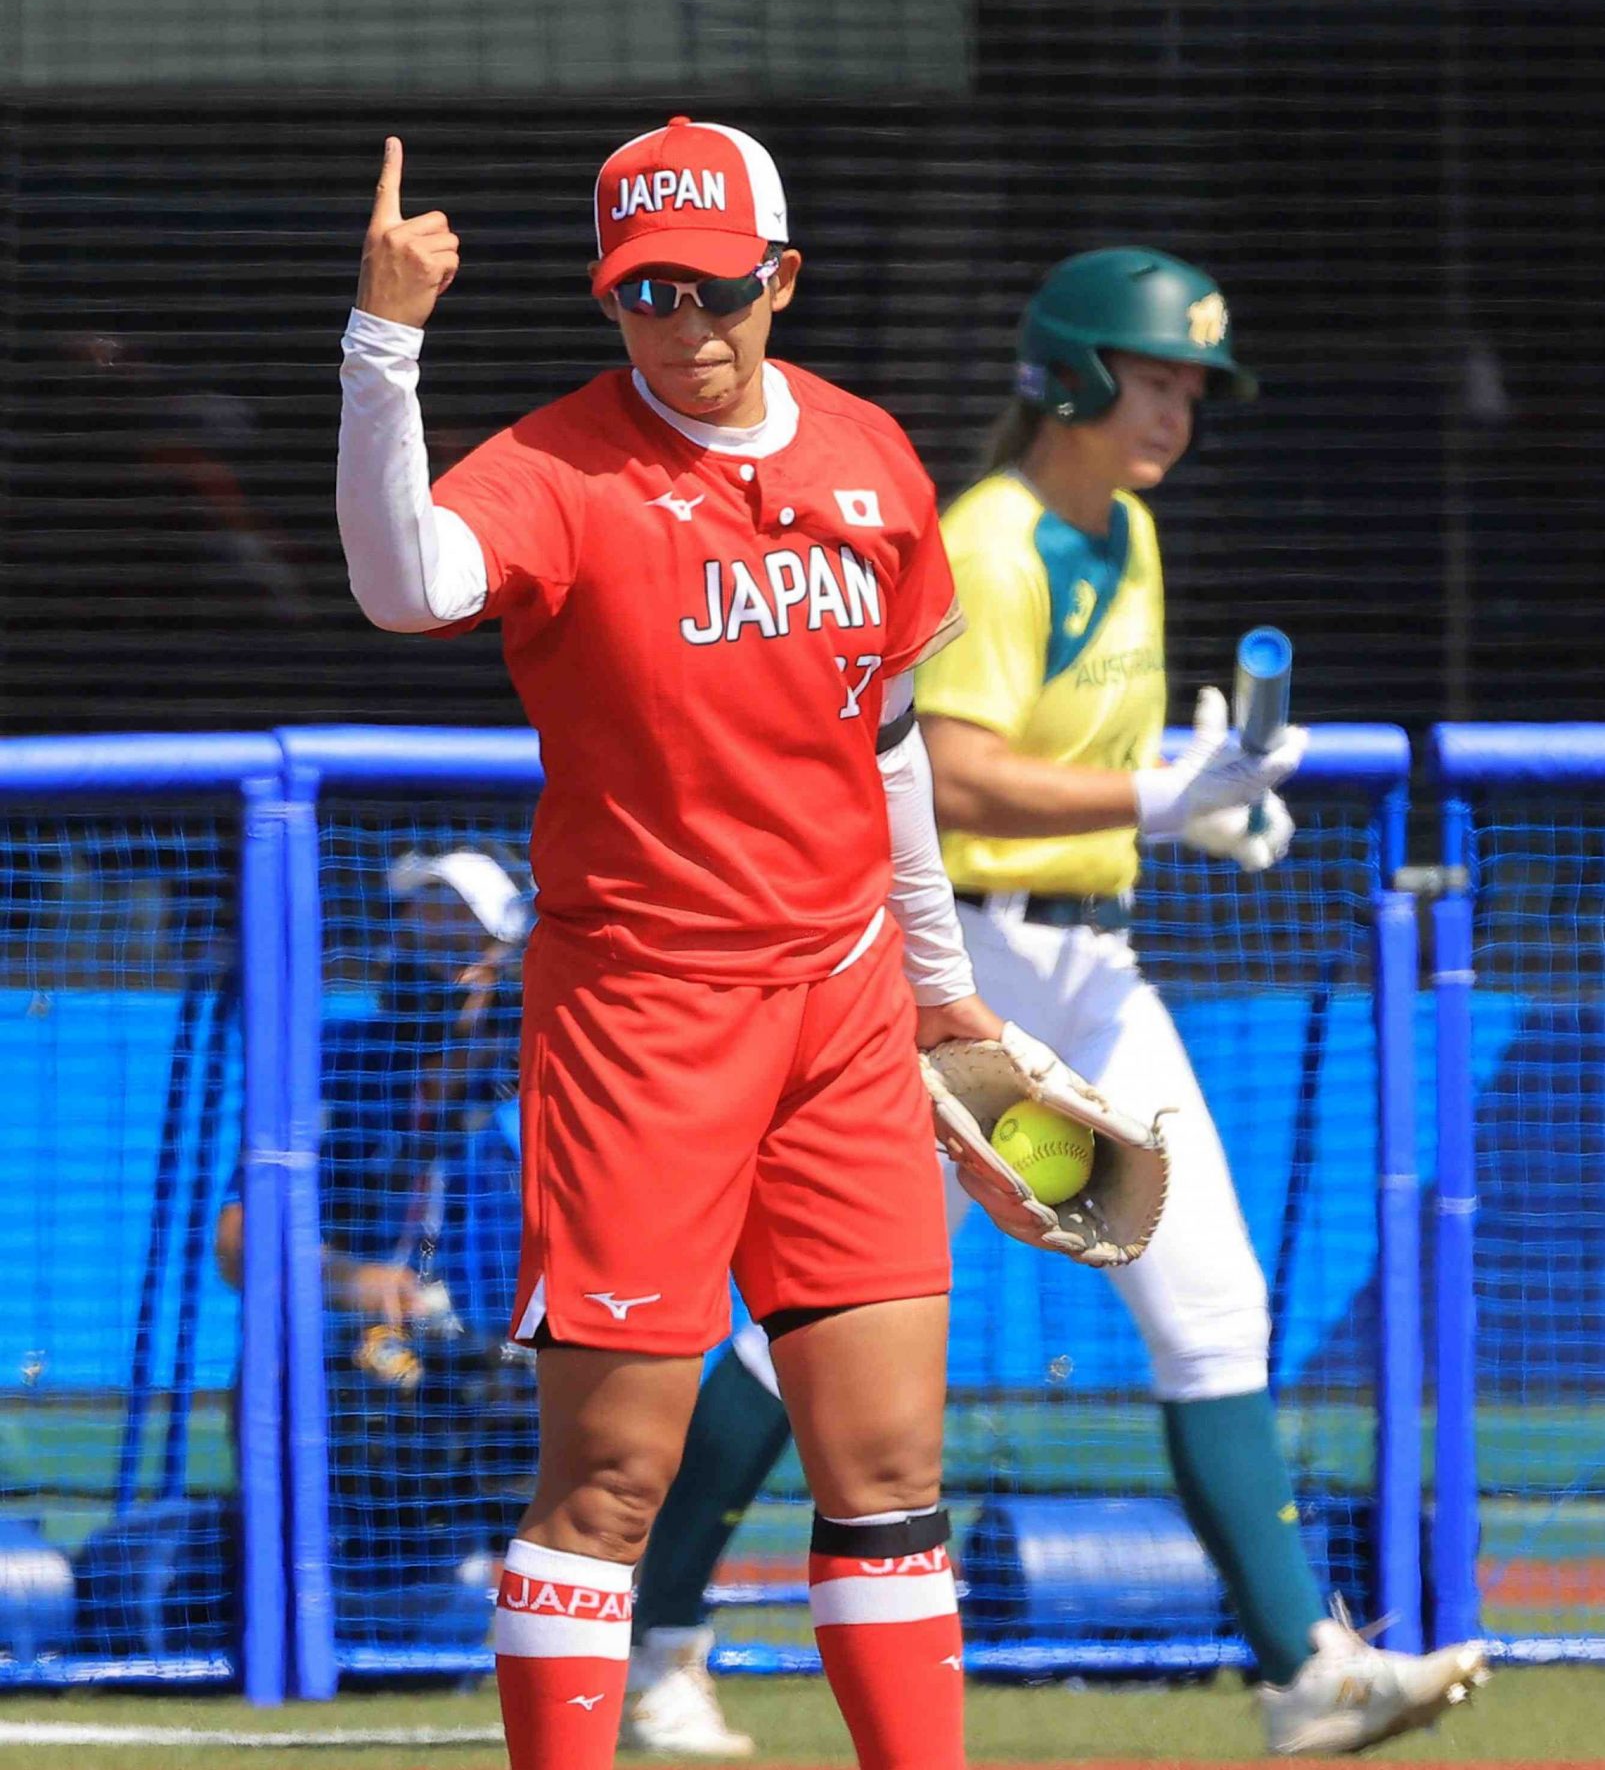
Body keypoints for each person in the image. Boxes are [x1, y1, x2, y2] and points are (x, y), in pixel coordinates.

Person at [621, 248, 1489, 1759]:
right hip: (961, 977)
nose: (1178, 412)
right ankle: (657, 1643)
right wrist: (1157, 798)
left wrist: (1206, 806)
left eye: (1190, 387)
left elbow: (1097, 765)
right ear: (1076, 377)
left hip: (1091, 973)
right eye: (1155, 378)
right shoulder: (993, 539)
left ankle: (1306, 1674)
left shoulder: (1128, 533)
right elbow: (945, 769)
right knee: (813, 1333)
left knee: (1211, 1304)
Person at [335, 115, 1028, 1770]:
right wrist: (383, 344)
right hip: (644, 1013)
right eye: (644, 293)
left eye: (715, 289)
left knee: (882, 1470)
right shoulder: (564, 467)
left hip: (847, 1006)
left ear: (780, 279)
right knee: (610, 1478)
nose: (682, 327)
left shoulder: (871, 460)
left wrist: (942, 997)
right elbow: (401, 580)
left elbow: (892, 751)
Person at [215, 848, 538, 1630]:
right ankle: (328, 1596)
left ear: (501, 955)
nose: (437, 949)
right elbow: (237, 1242)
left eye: (461, 935)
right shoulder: (334, 1061)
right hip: (353, 1372)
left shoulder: (540, 1071)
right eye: (421, 926)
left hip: (500, 1374)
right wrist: (348, 1281)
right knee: (342, 1390)